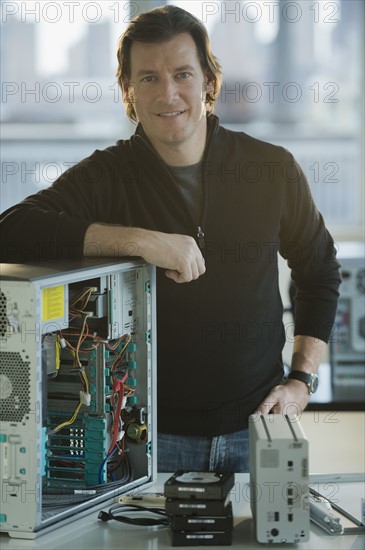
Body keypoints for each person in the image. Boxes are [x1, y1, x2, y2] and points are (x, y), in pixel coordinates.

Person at [0, 5, 341, 472]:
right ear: (128, 91)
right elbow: (11, 231)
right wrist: (139, 240)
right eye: (148, 78)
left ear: (209, 81)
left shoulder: (271, 168)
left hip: (259, 421)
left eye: (182, 73)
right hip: (148, 437)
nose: (169, 93)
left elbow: (319, 268)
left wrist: (302, 379)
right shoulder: (106, 176)